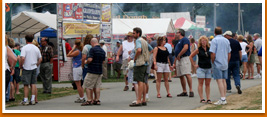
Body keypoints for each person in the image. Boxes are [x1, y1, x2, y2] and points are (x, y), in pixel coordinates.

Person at [129, 27, 153, 107]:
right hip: (145, 63)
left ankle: (138, 100)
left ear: (138, 33)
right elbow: (152, 49)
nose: (133, 34)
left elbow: (139, 50)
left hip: (139, 63)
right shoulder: (144, 41)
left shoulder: (138, 41)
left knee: (139, 82)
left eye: (134, 33)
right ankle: (143, 100)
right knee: (143, 81)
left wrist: (135, 58)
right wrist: (146, 55)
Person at [209, 27, 231, 105]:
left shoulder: (214, 40)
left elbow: (213, 53)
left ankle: (222, 98)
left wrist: (212, 61)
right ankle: (224, 97)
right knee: (224, 80)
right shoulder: (226, 40)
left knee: (219, 80)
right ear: (222, 32)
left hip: (217, 62)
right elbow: (229, 53)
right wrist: (227, 61)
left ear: (214, 33)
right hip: (225, 62)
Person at [81, 38, 105, 106]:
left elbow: (90, 59)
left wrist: (86, 61)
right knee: (97, 86)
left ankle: (89, 100)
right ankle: (97, 100)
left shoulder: (92, 49)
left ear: (92, 43)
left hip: (92, 70)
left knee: (88, 85)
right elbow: (103, 61)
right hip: (99, 71)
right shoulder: (102, 50)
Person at [20, 35, 42, 105]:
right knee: (33, 83)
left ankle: (25, 99)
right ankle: (33, 99)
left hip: (26, 67)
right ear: (32, 40)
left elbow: (22, 58)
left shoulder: (24, 48)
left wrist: (21, 65)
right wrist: (37, 64)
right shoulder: (36, 48)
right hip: (34, 66)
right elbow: (40, 59)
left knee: (26, 84)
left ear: (26, 40)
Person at [189, 36, 212, 103]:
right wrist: (194, 65)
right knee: (201, 83)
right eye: (202, 41)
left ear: (206, 41)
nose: (203, 42)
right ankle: (202, 98)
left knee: (207, 84)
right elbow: (191, 56)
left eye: (204, 41)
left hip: (208, 68)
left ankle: (208, 98)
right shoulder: (198, 49)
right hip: (201, 68)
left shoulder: (209, 49)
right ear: (200, 42)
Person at [173, 29, 194, 97]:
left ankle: (191, 90)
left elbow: (185, 48)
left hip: (184, 58)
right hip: (179, 59)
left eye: (177, 32)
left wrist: (179, 54)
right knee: (181, 76)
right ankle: (184, 91)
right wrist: (174, 62)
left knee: (187, 74)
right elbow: (176, 52)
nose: (176, 34)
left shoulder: (185, 39)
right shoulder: (178, 41)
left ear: (181, 33)